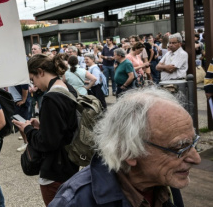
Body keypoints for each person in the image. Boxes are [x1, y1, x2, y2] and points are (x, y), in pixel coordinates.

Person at [49, 87, 201, 206]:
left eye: (193, 142)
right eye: (179, 148)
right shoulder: (75, 202)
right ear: (128, 152)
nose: (196, 158)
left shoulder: (165, 180)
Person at [12, 54, 79, 206]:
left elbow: (48, 142)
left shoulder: (51, 98)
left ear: (40, 72)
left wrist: (28, 129)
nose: (34, 85)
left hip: (55, 169)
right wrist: (42, 126)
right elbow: (63, 128)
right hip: (70, 163)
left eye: (33, 79)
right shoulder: (68, 89)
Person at [7, 84, 30, 152]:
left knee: (21, 124)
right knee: (21, 124)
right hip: (15, 102)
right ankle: (26, 140)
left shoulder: (19, 75)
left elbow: (25, 87)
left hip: (19, 103)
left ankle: (26, 143)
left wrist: (23, 100)